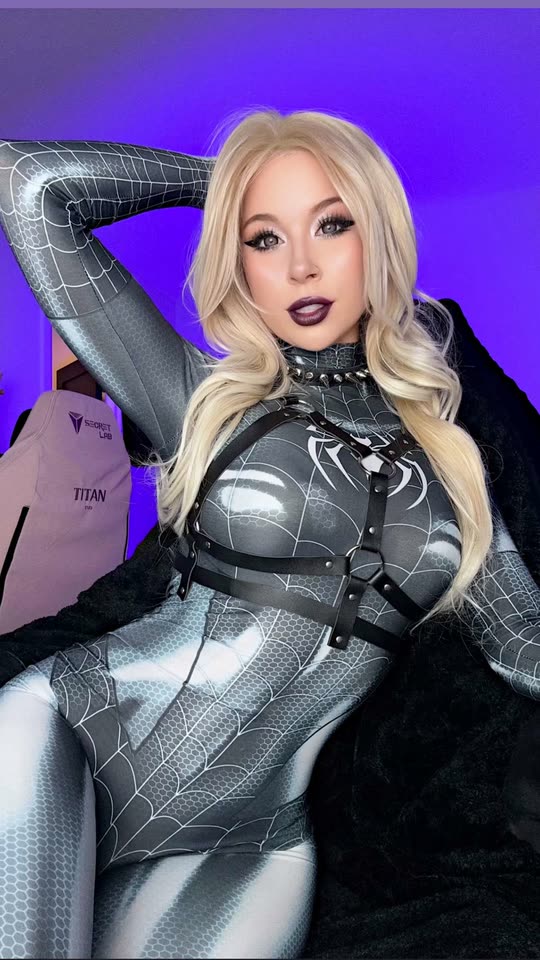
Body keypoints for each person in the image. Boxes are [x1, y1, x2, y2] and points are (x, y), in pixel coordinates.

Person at [0, 108, 538, 960]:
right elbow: (26, 185)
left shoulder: (457, 463)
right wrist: (224, 181)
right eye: (262, 237)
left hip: (251, 844)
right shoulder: (202, 398)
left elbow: (522, 638)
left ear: (379, 234)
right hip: (70, 735)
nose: (300, 265)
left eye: (333, 223)